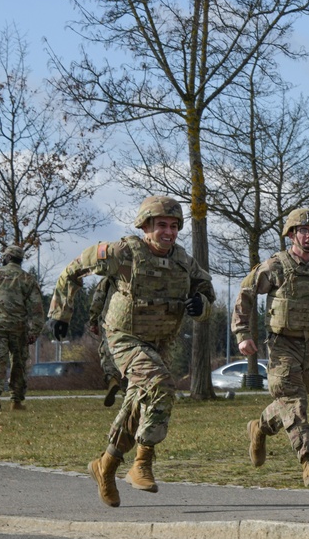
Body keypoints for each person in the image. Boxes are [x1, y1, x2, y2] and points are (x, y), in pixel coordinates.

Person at [46, 196, 215, 508]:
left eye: (174, 226)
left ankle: (105, 467)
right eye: (161, 225)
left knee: (139, 403)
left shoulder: (184, 262)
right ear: (146, 226)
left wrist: (200, 305)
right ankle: (142, 464)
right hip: (124, 338)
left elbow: (207, 293)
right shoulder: (123, 252)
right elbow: (74, 269)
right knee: (162, 386)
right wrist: (61, 313)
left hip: (161, 343)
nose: (169, 232)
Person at [232, 208, 309, 487]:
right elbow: (246, 293)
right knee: (295, 400)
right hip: (282, 344)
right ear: (292, 235)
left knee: (290, 400)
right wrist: (242, 333)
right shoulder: (276, 266)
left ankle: (259, 428)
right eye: (303, 231)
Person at [0, 245, 44, 413]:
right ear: (20, 260)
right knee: (18, 364)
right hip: (18, 328)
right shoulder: (27, 279)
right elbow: (37, 307)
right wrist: (35, 331)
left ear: (7, 258)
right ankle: (16, 401)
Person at [88, 276, 127, 407]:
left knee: (107, 350)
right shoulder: (141, 273)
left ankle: (112, 379)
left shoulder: (110, 277)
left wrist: (93, 320)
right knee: (132, 354)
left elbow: (98, 299)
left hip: (111, 319)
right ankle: (129, 390)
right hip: (135, 322)